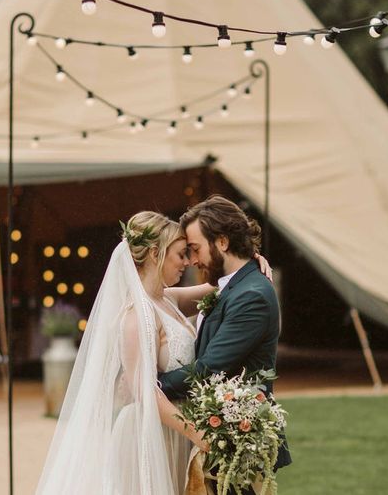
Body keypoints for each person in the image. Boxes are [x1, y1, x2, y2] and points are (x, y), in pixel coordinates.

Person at [35, 211, 273, 495]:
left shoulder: (167, 299)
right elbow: (143, 391)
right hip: (149, 433)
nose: (187, 262)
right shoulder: (136, 317)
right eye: (181, 254)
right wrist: (200, 435)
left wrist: (250, 262)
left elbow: (223, 287)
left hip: (177, 431)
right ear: (155, 253)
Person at [159, 195, 292, 494]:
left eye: (195, 249)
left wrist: (151, 387)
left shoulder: (252, 295)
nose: (192, 260)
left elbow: (208, 368)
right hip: (217, 436)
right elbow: (160, 296)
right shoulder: (230, 285)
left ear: (221, 242)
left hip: (237, 441)